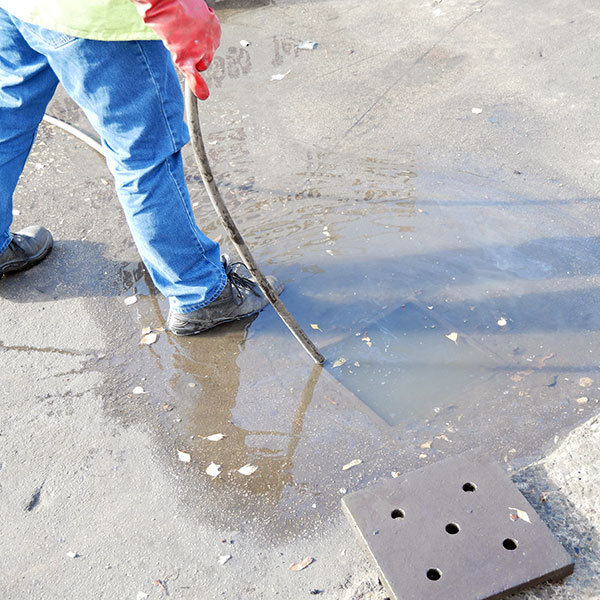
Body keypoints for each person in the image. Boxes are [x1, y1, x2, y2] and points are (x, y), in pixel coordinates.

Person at [0, 0, 282, 335]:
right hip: (94, 18)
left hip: (22, 8)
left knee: (8, 117)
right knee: (143, 151)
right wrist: (173, 7)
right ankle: (200, 293)